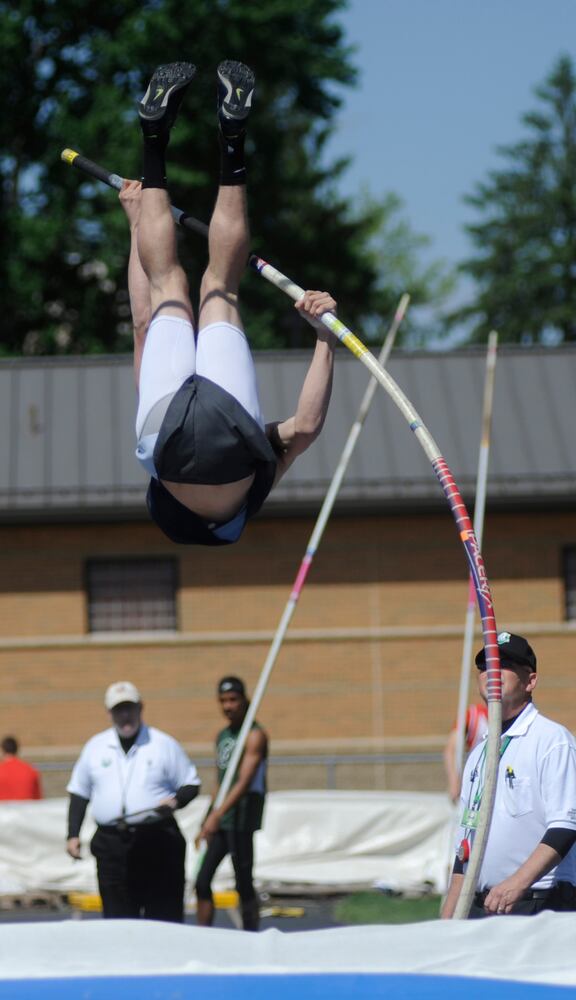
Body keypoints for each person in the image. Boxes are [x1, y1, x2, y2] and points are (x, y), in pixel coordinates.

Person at [120, 59, 337, 546]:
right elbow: (141, 325)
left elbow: (304, 427)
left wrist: (325, 336)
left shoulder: (254, 486)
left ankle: (233, 141)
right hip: (161, 435)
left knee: (222, 283)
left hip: (231, 439)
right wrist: (136, 231)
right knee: (165, 285)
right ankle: (153, 144)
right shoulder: (171, 481)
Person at [442, 631, 576, 918]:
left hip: (539, 901)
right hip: (482, 904)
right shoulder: (479, 753)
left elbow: (566, 825)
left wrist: (517, 884)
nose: (492, 672)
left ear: (530, 681)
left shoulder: (551, 740)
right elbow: (465, 844)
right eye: (485, 666)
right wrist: (448, 917)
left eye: (505, 666)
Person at [66, 680, 200, 922]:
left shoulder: (162, 744)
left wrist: (176, 801)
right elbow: (79, 792)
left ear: (141, 708)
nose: (124, 715)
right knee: (118, 918)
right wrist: (73, 834)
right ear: (109, 713)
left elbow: (191, 783)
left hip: (157, 840)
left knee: (162, 917)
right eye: (118, 710)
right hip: (112, 844)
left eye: (129, 708)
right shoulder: (95, 747)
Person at [195, 676, 268, 931]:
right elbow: (222, 781)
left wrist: (219, 814)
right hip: (222, 820)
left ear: (244, 700)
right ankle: (204, 935)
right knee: (202, 881)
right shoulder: (223, 736)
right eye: (223, 701)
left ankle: (251, 936)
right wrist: (207, 819)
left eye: (233, 700)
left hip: (242, 820)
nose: (228, 706)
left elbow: (244, 781)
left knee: (243, 884)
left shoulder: (255, 735)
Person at [443, 702, 488, 803]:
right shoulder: (473, 715)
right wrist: (454, 781)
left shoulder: (515, 714)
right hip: (478, 780)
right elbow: (451, 750)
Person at [0, 736, 42, 800]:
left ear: (3, 750)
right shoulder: (30, 770)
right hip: (27, 808)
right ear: (17, 749)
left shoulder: (1, 770)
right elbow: (38, 798)